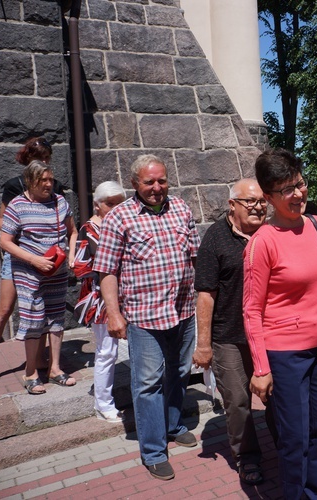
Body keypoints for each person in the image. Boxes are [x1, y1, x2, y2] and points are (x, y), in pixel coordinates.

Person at [243, 148, 317, 500]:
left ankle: (316, 491)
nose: (298, 194)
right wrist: (261, 368)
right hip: (286, 354)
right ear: (268, 197)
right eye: (287, 190)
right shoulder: (261, 243)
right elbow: (251, 310)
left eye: (300, 184)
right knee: (294, 437)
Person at [94, 154, 201, 481]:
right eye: (149, 182)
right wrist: (114, 314)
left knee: (181, 371)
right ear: (134, 184)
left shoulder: (181, 209)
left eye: (162, 181)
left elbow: (196, 258)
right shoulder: (119, 218)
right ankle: (153, 450)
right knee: (148, 383)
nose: (157, 188)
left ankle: (171, 423)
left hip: (183, 310)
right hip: (144, 317)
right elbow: (107, 270)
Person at [193, 178, 269, 485]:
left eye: (262, 201)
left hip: (268, 332)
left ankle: (288, 447)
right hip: (229, 337)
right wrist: (204, 345)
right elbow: (206, 294)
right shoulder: (215, 238)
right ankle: (247, 456)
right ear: (232, 205)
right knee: (238, 400)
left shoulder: (271, 233)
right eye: (249, 201)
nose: (257, 207)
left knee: (278, 395)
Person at [0, 137, 64, 389]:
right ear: (29, 160)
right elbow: (1, 221)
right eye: (38, 158)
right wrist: (22, 230)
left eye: (46, 159)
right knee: (4, 309)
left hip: (46, 259)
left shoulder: (55, 186)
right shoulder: (14, 186)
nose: (43, 163)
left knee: (44, 311)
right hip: (18, 256)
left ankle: (42, 362)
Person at [0, 160, 78, 395]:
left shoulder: (59, 202)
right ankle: (31, 373)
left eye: (50, 179)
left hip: (56, 269)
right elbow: (5, 242)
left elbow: (73, 231)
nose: (49, 184)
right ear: (31, 181)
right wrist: (34, 260)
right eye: (43, 180)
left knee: (55, 317)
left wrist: (72, 255)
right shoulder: (17, 205)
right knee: (33, 319)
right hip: (28, 271)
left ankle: (54, 369)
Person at [73, 181, 127, 423]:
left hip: (127, 294)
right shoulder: (89, 230)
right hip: (101, 298)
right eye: (110, 204)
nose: (115, 208)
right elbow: (82, 267)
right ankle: (103, 403)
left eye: (119, 203)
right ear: (97, 205)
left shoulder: (124, 224)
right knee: (107, 351)